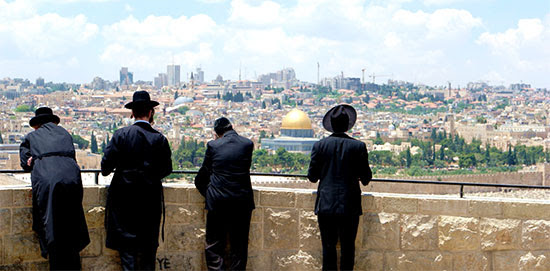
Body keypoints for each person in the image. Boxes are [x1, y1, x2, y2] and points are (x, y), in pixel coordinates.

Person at [101, 90, 172, 270]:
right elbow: (167, 169)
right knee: (148, 254)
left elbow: (105, 168)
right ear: (150, 113)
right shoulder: (159, 139)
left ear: (132, 113)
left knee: (128, 255)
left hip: (123, 203)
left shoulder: (121, 135)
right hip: (150, 203)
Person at [19, 107, 90, 270]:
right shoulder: (65, 133)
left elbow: (25, 163)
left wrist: (33, 159)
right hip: (72, 179)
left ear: (37, 124)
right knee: (72, 225)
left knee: (51, 226)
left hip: (47, 180)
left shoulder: (32, 136)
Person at [307, 104, 372, 271]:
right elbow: (366, 178)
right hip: (349, 205)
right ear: (348, 124)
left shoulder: (320, 146)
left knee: (328, 248)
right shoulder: (358, 147)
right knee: (348, 248)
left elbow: (312, 177)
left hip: (326, 204)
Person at [195, 117, 255, 271]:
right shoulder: (247, 144)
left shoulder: (213, 145)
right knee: (239, 247)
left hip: (218, 202)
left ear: (217, 133)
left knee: (214, 245)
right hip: (242, 202)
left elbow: (202, 176)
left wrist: (209, 194)